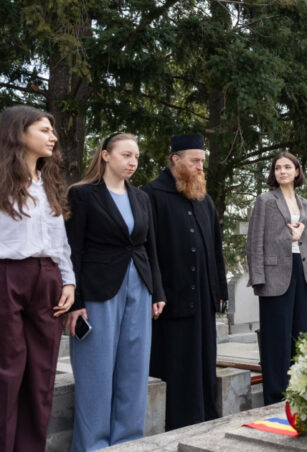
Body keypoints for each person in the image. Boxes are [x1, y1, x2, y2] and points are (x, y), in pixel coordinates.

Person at [64, 133, 167, 450]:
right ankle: (93, 446)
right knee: (96, 374)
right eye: (126, 154)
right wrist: (75, 303)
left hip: (139, 288)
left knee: (134, 373)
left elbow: (150, 248)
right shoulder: (81, 195)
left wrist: (158, 292)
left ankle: (128, 443)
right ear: (106, 155)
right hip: (97, 291)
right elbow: (72, 251)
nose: (133, 161)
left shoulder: (141, 198)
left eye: (136, 156)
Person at [0, 105, 75, 452]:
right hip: (7, 275)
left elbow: (60, 242)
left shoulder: (49, 183)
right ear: (19, 132)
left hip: (48, 278)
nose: (53, 137)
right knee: (8, 371)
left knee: (42, 373)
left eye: (53, 131)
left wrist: (69, 281)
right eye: (44, 130)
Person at [144, 134, 228, 430]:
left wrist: (220, 290)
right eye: (194, 161)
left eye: (202, 162)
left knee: (204, 360)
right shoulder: (152, 194)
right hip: (171, 296)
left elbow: (216, 248)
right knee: (177, 362)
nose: (199, 167)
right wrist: (156, 290)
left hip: (204, 296)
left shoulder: (204, 199)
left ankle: (205, 415)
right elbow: (148, 249)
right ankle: (180, 420)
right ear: (175, 160)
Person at [246, 152, 307, 405]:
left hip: (301, 273)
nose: (282, 171)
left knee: (299, 336)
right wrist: (258, 276)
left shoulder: (306, 205)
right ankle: (275, 396)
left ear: (297, 171)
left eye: (287, 167)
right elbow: (254, 241)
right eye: (278, 167)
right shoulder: (265, 201)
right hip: (274, 275)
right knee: (275, 339)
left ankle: (297, 392)